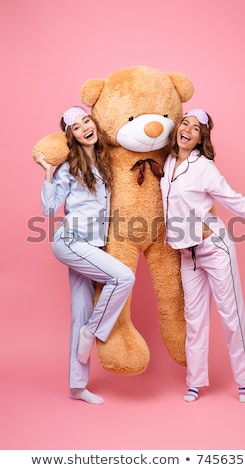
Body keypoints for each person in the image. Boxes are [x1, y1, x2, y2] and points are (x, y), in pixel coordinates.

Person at [160, 108, 245, 403]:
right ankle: (194, 383)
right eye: (185, 124)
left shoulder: (204, 166)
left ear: (200, 138)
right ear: (177, 128)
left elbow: (234, 200)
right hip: (186, 255)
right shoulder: (167, 162)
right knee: (194, 320)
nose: (188, 130)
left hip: (214, 248)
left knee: (231, 317)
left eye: (195, 129)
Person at [34, 106, 135, 405]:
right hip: (70, 240)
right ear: (72, 137)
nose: (84, 128)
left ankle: (77, 387)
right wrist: (48, 174)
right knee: (123, 277)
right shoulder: (69, 167)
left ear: (93, 124)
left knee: (80, 311)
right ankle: (94, 332)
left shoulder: (105, 161)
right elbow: (50, 210)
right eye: (76, 128)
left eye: (86, 122)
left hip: (91, 246)